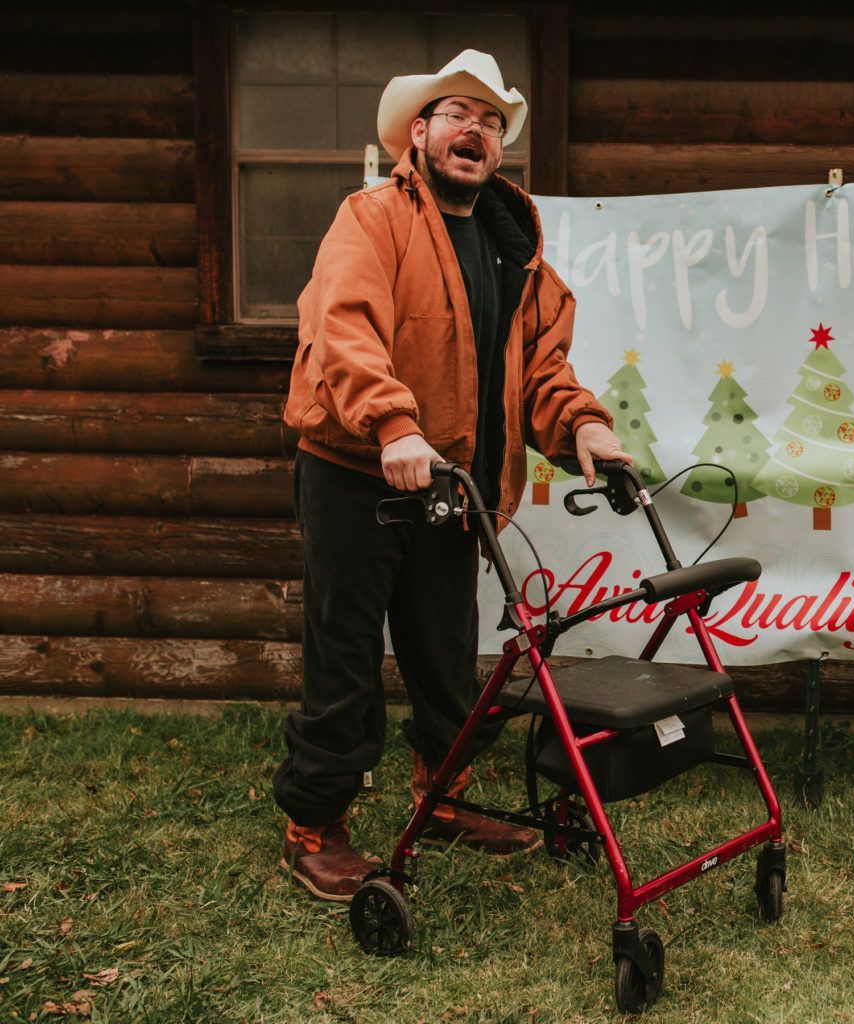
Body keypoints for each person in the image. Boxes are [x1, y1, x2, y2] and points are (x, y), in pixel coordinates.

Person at [273, 49, 631, 902]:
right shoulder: (373, 218)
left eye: (492, 121)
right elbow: (344, 327)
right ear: (420, 133)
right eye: (457, 114)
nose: (475, 129)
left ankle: (441, 800)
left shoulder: (516, 255)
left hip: (452, 485)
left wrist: (584, 426)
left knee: (442, 652)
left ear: (498, 150)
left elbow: (540, 372)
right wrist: (394, 423)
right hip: (360, 470)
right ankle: (315, 826)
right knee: (347, 657)